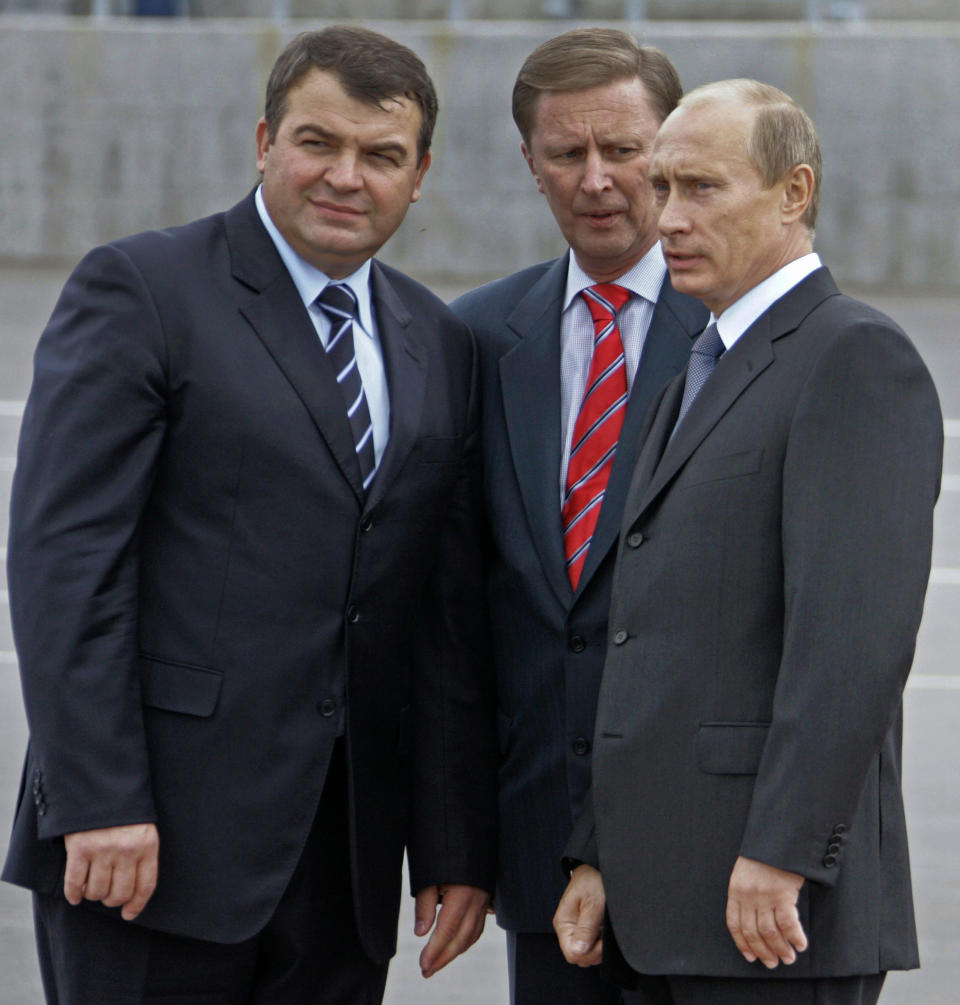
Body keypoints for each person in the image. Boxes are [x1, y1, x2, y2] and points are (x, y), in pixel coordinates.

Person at [3, 25, 497, 1005]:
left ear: (422, 172)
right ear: (265, 139)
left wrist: (452, 840)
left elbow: (441, 617)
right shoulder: (143, 290)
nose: (346, 176)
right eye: (319, 142)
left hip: (344, 865)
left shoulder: (438, 341)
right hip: (152, 848)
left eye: (381, 155)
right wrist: (99, 799)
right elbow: (69, 564)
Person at [554, 78, 943, 1005]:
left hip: (768, 907)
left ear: (794, 194)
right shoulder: (706, 360)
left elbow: (850, 645)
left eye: (702, 189)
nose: (667, 218)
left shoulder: (852, 357)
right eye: (664, 188)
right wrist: (603, 853)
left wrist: (783, 850)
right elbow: (653, 641)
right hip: (664, 904)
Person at [451, 28, 707, 1005]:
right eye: (567, 154)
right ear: (530, 165)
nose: (597, 179)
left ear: (672, 150)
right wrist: (457, 839)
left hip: (704, 844)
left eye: (623, 149)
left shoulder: (746, 334)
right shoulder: (475, 338)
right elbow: (456, 612)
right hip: (538, 839)